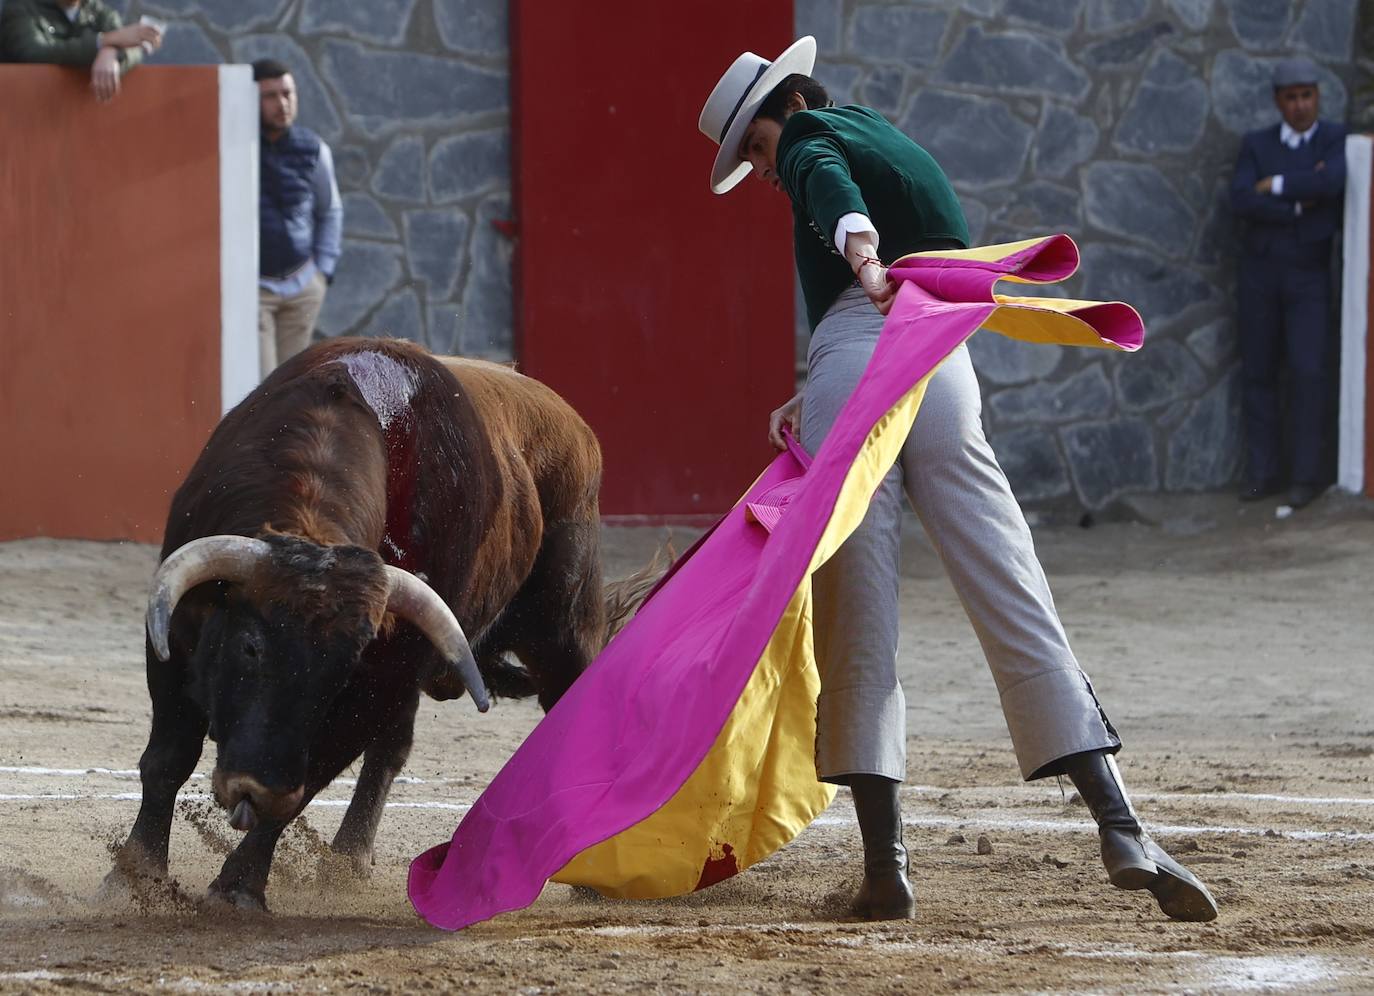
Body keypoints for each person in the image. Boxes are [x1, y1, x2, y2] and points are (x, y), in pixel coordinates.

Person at [698, 37, 1217, 923]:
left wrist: (859, 265)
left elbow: (832, 194)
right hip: (939, 358)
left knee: (857, 604)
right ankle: (1122, 824)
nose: (765, 169)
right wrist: (818, 371)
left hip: (869, 337)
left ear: (783, 109)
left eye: (755, 147)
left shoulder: (813, 139)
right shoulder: (889, 136)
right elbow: (897, 247)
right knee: (1008, 573)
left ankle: (885, 868)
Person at [1229, 58, 1346, 510]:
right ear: (1278, 101)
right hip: (1260, 276)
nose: (1300, 105)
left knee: (1308, 372)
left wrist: (1274, 185)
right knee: (1259, 373)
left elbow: (1333, 182)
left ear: (1318, 96)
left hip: (1309, 277)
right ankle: (1264, 475)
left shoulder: (1334, 140)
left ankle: (1306, 476)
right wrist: (1300, 206)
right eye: (1291, 97)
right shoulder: (1256, 143)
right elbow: (1240, 199)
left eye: (1307, 95)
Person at [253, 58, 343, 377]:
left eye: (287, 93)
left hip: (303, 286)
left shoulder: (314, 149)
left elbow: (330, 209)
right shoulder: (238, 146)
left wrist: (323, 272)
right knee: (262, 387)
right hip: (255, 290)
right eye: (271, 96)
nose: (282, 104)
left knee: (293, 385)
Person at [0, 0, 161, 102]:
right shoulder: (21, 8)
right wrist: (104, 41)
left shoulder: (99, 12)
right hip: (26, 111)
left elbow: (134, 49)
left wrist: (110, 52)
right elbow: (34, 53)